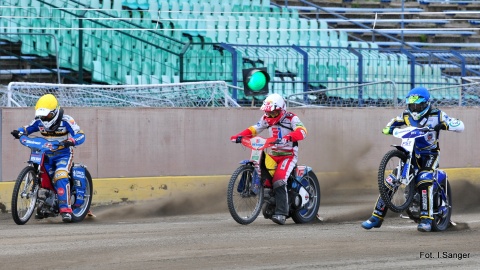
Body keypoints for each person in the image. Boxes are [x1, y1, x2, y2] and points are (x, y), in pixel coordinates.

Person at [361, 87, 464, 232]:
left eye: (418, 105)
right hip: (410, 154)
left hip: (430, 154)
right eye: (412, 105)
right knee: (391, 179)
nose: (415, 108)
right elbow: (391, 123)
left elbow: (458, 125)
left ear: (426, 104)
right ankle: (376, 217)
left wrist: (450, 125)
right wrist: (389, 129)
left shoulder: (437, 115)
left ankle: (426, 219)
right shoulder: (405, 115)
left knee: (425, 178)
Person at [230, 93, 307, 225]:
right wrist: (238, 136)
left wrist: (288, 137)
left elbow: (302, 131)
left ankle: (282, 213)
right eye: (268, 113)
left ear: (282, 110)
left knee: (279, 179)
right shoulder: (265, 119)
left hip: (288, 156)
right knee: (262, 168)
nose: (270, 116)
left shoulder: (291, 118)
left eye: (273, 113)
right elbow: (254, 129)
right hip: (274, 154)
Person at [11, 94, 86, 223]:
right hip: (44, 153)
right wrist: (19, 132)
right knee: (42, 176)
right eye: (42, 116)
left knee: (60, 175)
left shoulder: (67, 120)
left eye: (47, 116)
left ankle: (66, 210)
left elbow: (81, 135)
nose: (44, 119)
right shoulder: (39, 122)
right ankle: (44, 204)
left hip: (63, 154)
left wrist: (71, 141)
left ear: (55, 112)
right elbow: (26, 128)